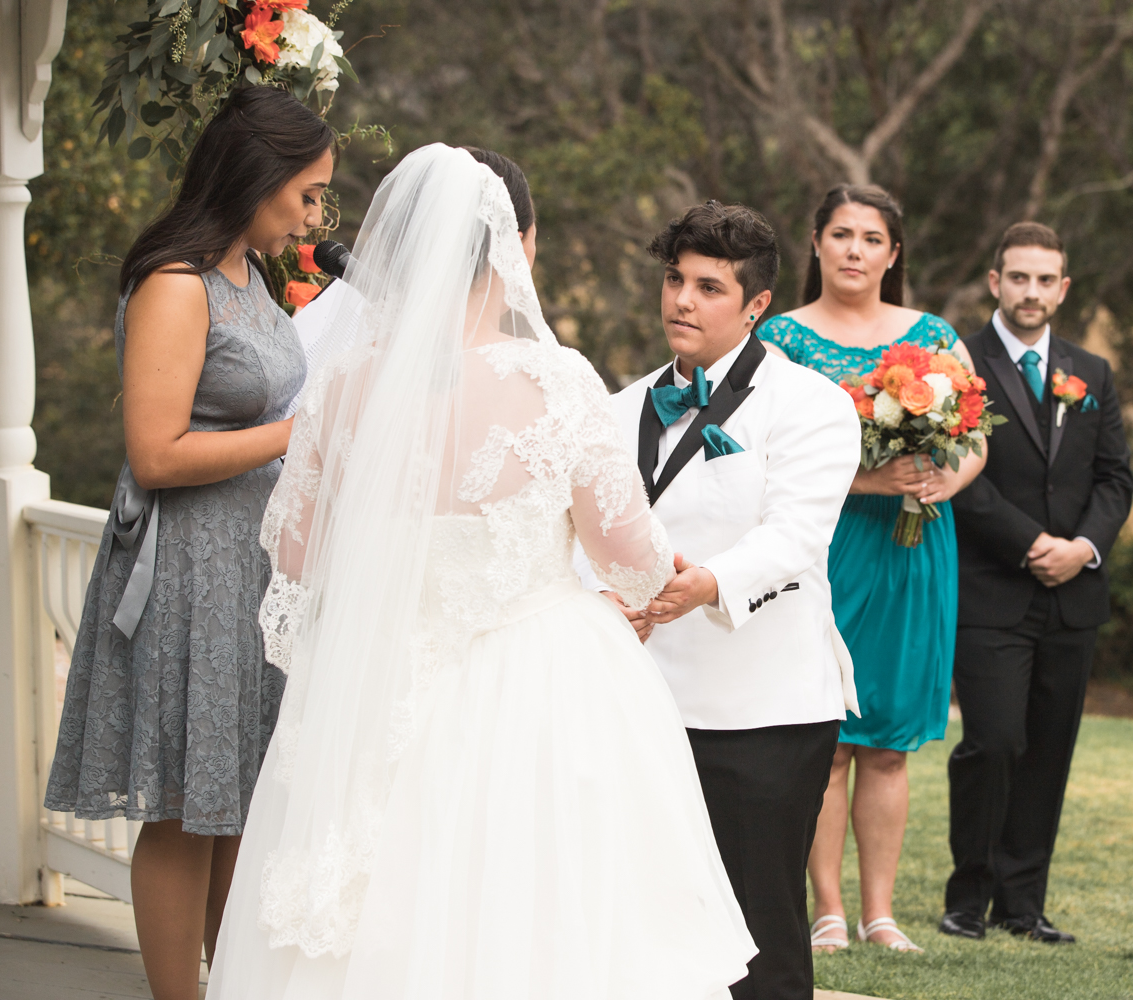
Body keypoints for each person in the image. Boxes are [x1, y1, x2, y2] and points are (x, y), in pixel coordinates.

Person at [206, 145, 755, 999]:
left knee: (369, 905)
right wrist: (647, 587)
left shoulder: (346, 379)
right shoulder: (555, 379)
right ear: (516, 245)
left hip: (376, 677)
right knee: (535, 913)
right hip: (531, 679)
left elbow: (296, 551)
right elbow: (629, 552)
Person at [42, 86, 333, 1000]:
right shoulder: (176, 283)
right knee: (180, 807)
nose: (314, 215)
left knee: (240, 795)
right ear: (259, 176)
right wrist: (310, 431)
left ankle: (238, 985)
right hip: (188, 571)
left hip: (254, 568)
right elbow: (156, 452)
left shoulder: (248, 272)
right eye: (307, 193)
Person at [577, 200, 862, 999]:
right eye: (674, 280)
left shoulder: (814, 404)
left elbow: (798, 534)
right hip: (639, 699)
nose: (681, 301)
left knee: (758, 924)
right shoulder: (613, 407)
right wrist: (599, 597)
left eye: (708, 286)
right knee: (644, 914)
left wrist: (706, 583)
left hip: (764, 707)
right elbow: (576, 531)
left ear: (758, 304)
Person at [758, 184, 986, 955]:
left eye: (872, 238)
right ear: (816, 243)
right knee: (829, 738)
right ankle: (825, 909)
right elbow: (763, 456)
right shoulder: (782, 339)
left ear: (895, 254)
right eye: (841, 234)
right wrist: (868, 481)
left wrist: (940, 482)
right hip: (825, 549)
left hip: (914, 550)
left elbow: (976, 437)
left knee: (889, 741)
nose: (855, 250)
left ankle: (879, 912)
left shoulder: (933, 337)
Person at [940, 222, 1133, 944]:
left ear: (1063, 287)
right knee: (991, 741)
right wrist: (1031, 544)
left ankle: (1024, 906)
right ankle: (968, 898)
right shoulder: (959, 362)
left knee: (1049, 749)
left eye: (1045, 280)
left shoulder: (1093, 372)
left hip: (1071, 594)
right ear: (996, 282)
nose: (1031, 292)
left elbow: (1115, 478)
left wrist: (1082, 546)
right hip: (991, 587)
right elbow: (959, 471)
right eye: (1017, 278)